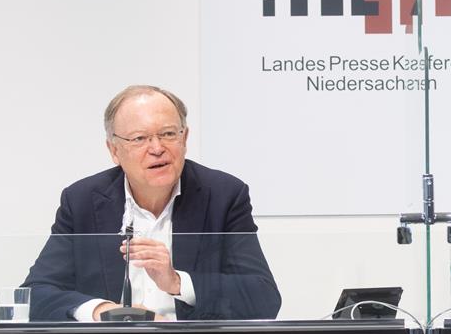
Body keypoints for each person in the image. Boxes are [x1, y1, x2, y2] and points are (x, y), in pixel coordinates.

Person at [23, 85, 281, 321]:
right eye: (139, 138)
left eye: (168, 134)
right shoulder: (82, 200)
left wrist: (177, 282)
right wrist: (107, 313)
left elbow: (263, 298)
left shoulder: (223, 195)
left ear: (185, 138)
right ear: (114, 150)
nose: (157, 148)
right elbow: (35, 295)